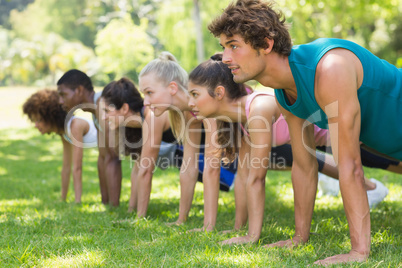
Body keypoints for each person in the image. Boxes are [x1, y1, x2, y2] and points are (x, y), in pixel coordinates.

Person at [208, 0, 402, 264]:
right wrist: (299, 236)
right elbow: (304, 165)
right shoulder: (283, 89)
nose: (225, 58)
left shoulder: (329, 69)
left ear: (266, 44)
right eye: (223, 47)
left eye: (233, 46)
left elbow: (350, 166)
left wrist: (358, 252)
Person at [187, 53, 397, 241]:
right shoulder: (242, 120)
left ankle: (375, 190)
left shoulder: (257, 109)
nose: (189, 103)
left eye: (195, 94)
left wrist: (252, 236)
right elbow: (244, 176)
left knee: (395, 160)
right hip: (334, 141)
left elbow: (257, 178)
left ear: (219, 92)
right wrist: (238, 228)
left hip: (355, 135)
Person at [100, 77, 236, 218]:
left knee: (233, 179)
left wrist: (139, 218)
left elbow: (146, 171)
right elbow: (138, 170)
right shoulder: (137, 124)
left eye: (106, 110)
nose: (103, 117)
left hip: (221, 145)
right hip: (197, 146)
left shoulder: (152, 115)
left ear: (124, 108)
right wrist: (131, 209)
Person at [138, 52, 237, 231]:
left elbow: (212, 167)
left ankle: (215, 224)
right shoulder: (187, 111)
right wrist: (181, 220)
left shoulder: (204, 103)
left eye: (149, 92)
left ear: (172, 88)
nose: (145, 102)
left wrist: (208, 227)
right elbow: (189, 166)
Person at [57, 69, 122, 207]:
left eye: (63, 94)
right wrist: (105, 203)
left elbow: (113, 157)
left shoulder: (101, 104)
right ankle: (107, 202)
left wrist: (113, 208)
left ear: (79, 90)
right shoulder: (95, 110)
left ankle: (114, 204)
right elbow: (103, 157)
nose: (60, 101)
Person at [22, 89, 97, 203]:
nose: (36, 125)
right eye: (34, 121)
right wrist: (63, 198)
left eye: (38, 120)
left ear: (50, 116)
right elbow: (66, 167)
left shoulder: (75, 126)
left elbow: (77, 167)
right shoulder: (64, 132)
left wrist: (78, 201)